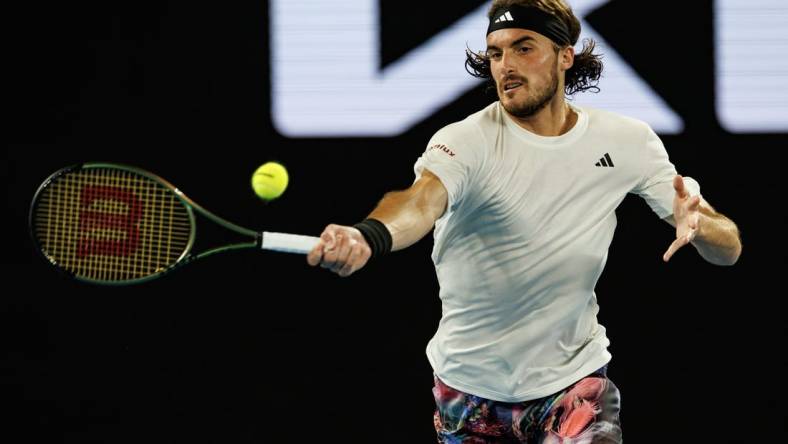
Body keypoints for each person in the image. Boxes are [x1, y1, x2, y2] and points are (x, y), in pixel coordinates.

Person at [306, 0, 742, 442]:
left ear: (565, 55)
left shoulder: (626, 141)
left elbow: (729, 250)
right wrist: (368, 234)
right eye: (496, 53)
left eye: (524, 48)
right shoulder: (465, 141)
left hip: (574, 383)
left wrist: (702, 225)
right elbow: (418, 204)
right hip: (470, 393)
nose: (506, 67)